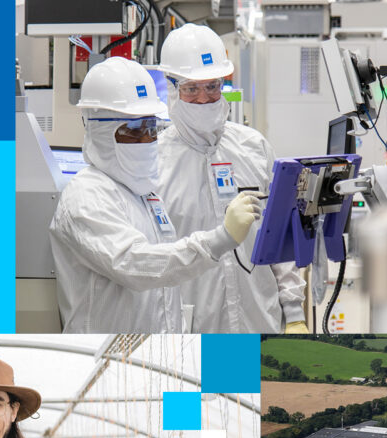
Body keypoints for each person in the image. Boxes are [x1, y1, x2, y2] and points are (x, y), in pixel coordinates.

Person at [49, 56, 263, 332]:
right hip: (107, 349)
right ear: (100, 130)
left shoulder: (144, 193)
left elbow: (163, 289)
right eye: (134, 131)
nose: (147, 141)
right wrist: (219, 239)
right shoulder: (87, 196)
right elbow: (135, 264)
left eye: (151, 129)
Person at [156, 24, 308, 333]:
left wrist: (294, 313)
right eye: (191, 88)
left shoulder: (253, 147)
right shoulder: (154, 163)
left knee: (264, 383)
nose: (204, 98)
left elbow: (278, 233)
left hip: (258, 320)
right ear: (172, 89)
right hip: (194, 329)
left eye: (212, 86)